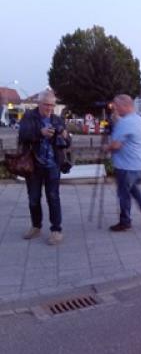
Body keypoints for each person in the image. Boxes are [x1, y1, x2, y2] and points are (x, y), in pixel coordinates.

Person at [19, 89, 71, 245]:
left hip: (53, 165)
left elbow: (66, 143)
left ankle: (56, 230)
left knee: (53, 197)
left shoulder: (57, 119)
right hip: (33, 165)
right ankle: (36, 226)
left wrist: (66, 137)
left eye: (52, 105)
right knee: (34, 199)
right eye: (46, 105)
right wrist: (40, 133)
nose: (49, 108)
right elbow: (23, 136)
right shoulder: (29, 117)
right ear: (39, 103)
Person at [103, 94, 141, 231]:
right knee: (134, 191)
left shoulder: (125, 122)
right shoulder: (138, 119)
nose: (115, 109)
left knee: (123, 194)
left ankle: (125, 221)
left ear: (125, 105)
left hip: (126, 165)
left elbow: (116, 145)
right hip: (139, 164)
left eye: (117, 106)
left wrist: (106, 148)